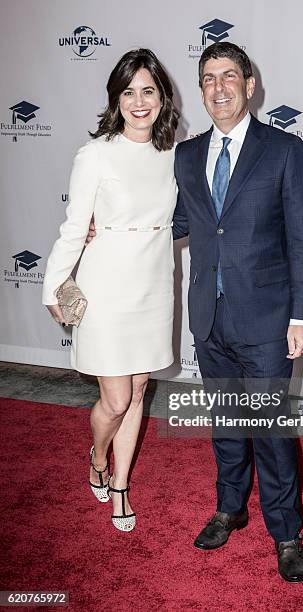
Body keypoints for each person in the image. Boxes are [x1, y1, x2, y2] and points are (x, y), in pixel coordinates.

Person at [172, 43, 303, 582]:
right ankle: (229, 508)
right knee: (226, 423)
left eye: (229, 76)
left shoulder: (282, 150)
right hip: (208, 317)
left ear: (249, 85)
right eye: (208, 78)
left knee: (270, 429)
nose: (219, 87)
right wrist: (112, 231)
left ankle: (285, 532)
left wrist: (301, 315)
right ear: (202, 89)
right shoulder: (187, 155)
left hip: (266, 319)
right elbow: (178, 223)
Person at [42, 49, 179, 532]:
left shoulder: (173, 153)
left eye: (148, 90)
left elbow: (181, 218)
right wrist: (55, 286)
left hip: (154, 283)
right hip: (108, 285)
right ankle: (98, 456)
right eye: (129, 92)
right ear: (115, 99)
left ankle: (120, 484)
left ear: (162, 97)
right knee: (116, 400)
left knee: (140, 389)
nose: (139, 102)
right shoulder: (95, 154)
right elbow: (74, 226)